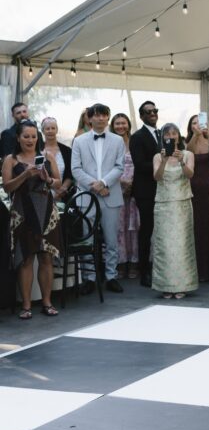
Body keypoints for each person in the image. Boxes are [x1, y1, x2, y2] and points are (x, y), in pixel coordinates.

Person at [1, 120, 62, 319]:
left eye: (34, 136)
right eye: (26, 136)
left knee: (46, 258)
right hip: (22, 212)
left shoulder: (47, 156)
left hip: (46, 211)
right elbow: (7, 188)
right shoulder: (10, 159)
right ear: (18, 138)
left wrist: (47, 179)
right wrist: (25, 175)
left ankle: (47, 302)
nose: (30, 140)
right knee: (25, 258)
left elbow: (58, 183)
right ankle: (26, 305)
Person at [71, 103, 125, 294]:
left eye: (105, 115)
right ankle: (89, 278)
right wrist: (94, 185)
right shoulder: (79, 141)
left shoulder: (118, 141)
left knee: (111, 240)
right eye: (98, 115)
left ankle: (111, 276)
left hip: (110, 194)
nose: (101, 118)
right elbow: (75, 169)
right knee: (88, 238)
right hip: (87, 196)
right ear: (90, 118)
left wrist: (103, 183)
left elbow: (120, 167)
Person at [152, 123, 198, 299]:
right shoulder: (157, 156)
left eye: (174, 133)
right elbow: (157, 177)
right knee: (164, 245)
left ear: (179, 136)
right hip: (163, 204)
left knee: (182, 245)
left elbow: (190, 174)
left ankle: (183, 284)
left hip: (182, 204)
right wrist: (164, 161)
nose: (171, 136)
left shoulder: (188, 154)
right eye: (167, 134)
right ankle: (165, 284)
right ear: (163, 137)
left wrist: (180, 161)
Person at [186, 114, 209, 282]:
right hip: (192, 189)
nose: (197, 125)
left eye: (199, 123)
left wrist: (206, 136)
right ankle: (196, 270)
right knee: (195, 228)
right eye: (194, 123)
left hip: (208, 188)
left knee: (208, 228)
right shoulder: (187, 143)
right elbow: (190, 151)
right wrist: (196, 135)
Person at [129, 101, 161, 287]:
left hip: (164, 191)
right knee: (146, 231)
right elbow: (140, 165)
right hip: (146, 191)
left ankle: (162, 268)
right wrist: (162, 163)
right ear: (141, 116)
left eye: (155, 110)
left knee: (162, 231)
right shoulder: (137, 137)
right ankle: (144, 272)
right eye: (148, 112)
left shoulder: (162, 133)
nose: (152, 114)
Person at [110, 113, 140, 279]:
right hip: (116, 189)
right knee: (119, 228)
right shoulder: (110, 143)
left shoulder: (134, 142)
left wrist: (132, 184)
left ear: (128, 125)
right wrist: (121, 183)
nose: (120, 126)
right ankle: (120, 263)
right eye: (117, 124)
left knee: (134, 228)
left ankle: (135, 263)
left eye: (123, 123)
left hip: (135, 190)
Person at [40, 117, 73, 201]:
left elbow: (70, 173)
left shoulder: (67, 150)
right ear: (43, 131)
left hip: (63, 194)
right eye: (47, 128)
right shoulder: (38, 150)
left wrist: (62, 189)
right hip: (42, 194)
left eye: (53, 128)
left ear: (57, 130)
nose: (50, 131)